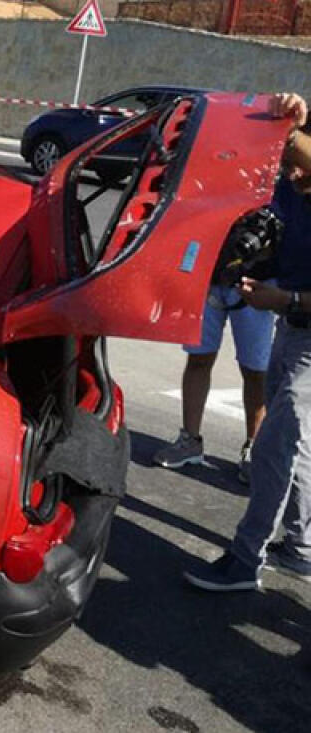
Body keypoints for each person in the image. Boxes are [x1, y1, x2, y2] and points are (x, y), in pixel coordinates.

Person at [184, 92, 311, 591]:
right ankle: (299, 548)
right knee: (295, 447)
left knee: (273, 447)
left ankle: (245, 558)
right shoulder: (291, 192)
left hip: (305, 335)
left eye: (297, 165)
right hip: (290, 329)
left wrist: (286, 299)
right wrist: (259, 281)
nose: (291, 174)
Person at [152, 287, 273, 483]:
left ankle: (254, 448)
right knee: (198, 359)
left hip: (255, 279)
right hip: (210, 279)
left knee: (255, 371)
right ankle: (190, 441)